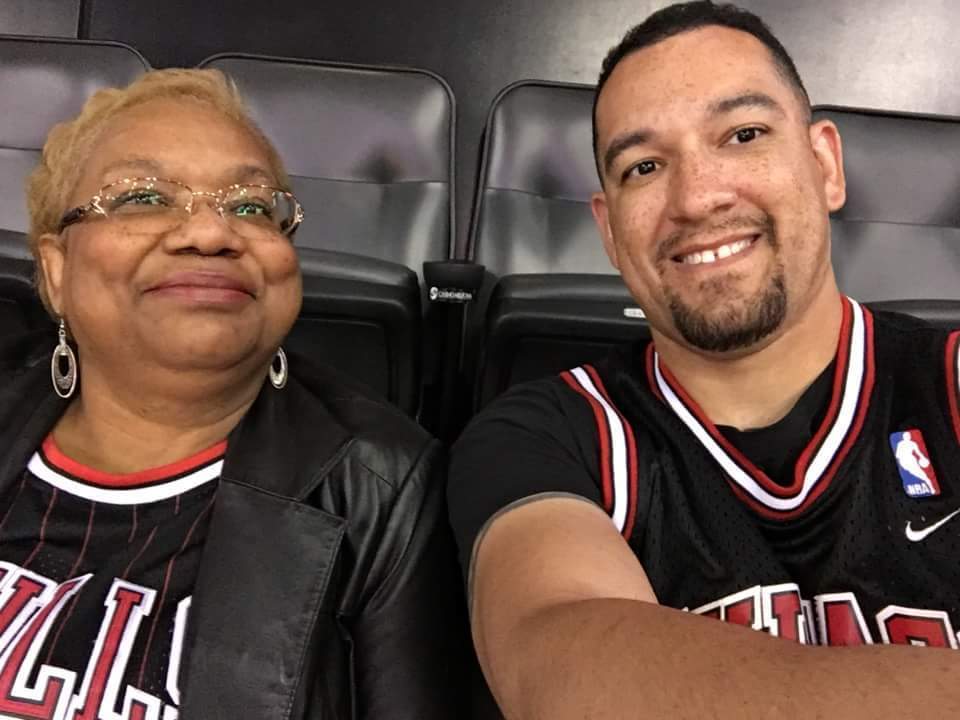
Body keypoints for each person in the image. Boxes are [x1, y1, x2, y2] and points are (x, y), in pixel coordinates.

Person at [448, 2, 960, 717]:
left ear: (824, 165)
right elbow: (562, 671)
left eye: (743, 135)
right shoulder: (544, 436)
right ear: (609, 230)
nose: (696, 198)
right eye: (644, 167)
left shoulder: (949, 382)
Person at [0, 68, 465, 719]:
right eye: (143, 198)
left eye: (250, 207)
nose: (211, 234)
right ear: (55, 269)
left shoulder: (387, 491)